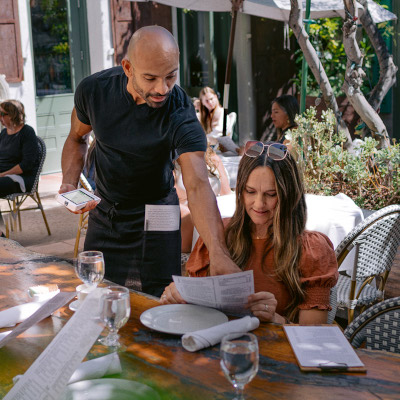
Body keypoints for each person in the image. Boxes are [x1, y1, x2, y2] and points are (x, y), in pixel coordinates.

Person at [60, 26, 240, 297]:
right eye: (151, 78)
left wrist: (218, 252)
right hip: (108, 209)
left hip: (159, 209)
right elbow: (76, 138)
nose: (162, 89)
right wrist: (68, 183)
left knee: (161, 296)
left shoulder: (180, 111)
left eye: (171, 76)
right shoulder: (94, 91)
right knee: (97, 293)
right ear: (128, 68)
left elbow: (198, 185)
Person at [161, 141, 339, 324]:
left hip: (276, 349)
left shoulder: (311, 249)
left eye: (271, 194)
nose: (259, 204)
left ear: (289, 195)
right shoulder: (219, 237)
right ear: (240, 191)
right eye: (251, 192)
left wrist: (275, 319)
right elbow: (196, 309)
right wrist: (178, 294)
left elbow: (314, 336)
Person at [174, 145, 231, 253]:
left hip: (215, 209)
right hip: (186, 215)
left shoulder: (211, 156)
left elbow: (226, 193)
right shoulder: (170, 159)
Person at [0, 100, 40, 237]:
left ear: (12, 114)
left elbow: (26, 165)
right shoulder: (4, 133)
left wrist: (3, 174)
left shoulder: (27, 132)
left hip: (20, 178)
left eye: (2, 114)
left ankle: (0, 234)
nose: (0, 117)